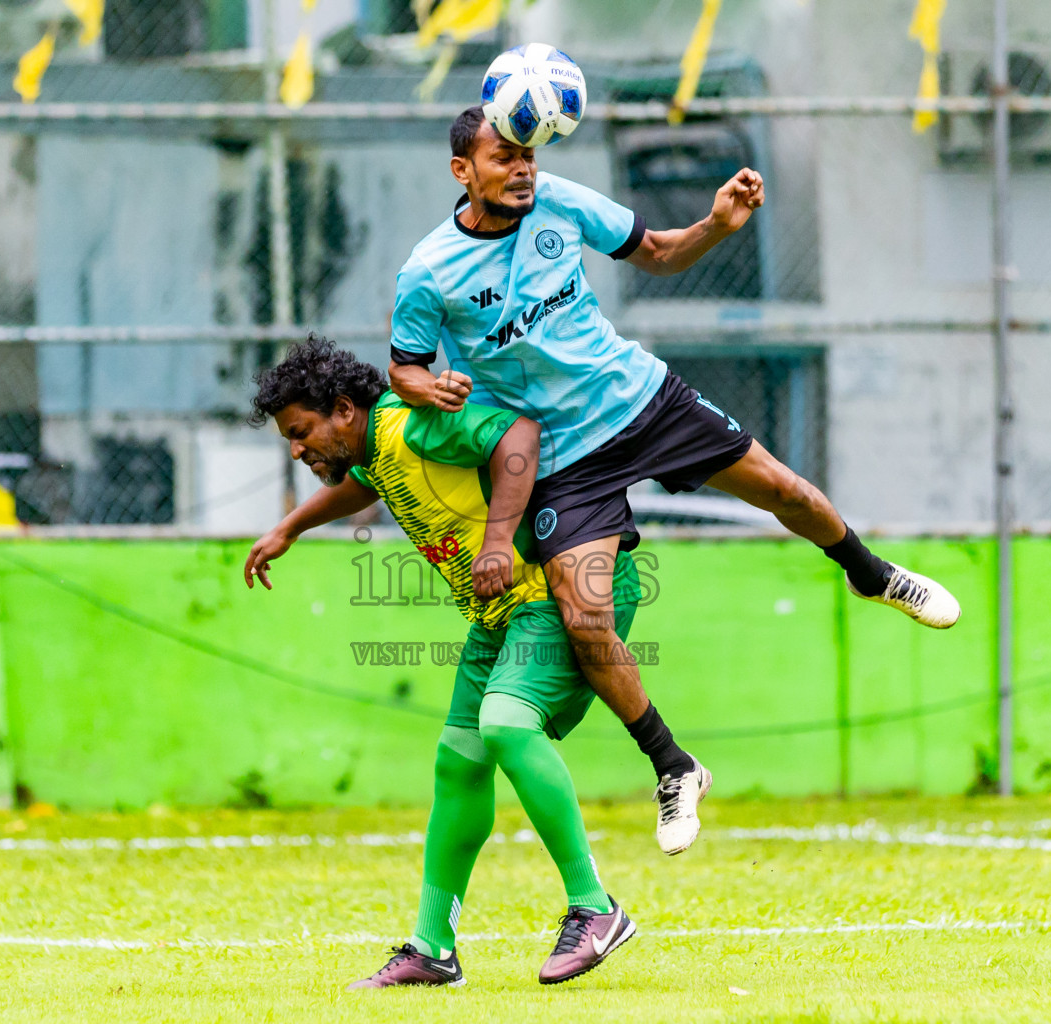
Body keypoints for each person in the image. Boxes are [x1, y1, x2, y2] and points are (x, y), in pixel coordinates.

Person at [386, 105, 962, 842]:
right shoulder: (429, 271)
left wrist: (718, 224)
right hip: (561, 457)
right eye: (504, 158)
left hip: (640, 398)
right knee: (585, 617)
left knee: (785, 490)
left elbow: (656, 251)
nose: (523, 167)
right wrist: (425, 387)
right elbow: (403, 366)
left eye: (527, 154)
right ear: (463, 171)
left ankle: (870, 572)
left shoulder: (560, 201)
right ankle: (672, 764)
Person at [244, 337, 642, 988]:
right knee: (458, 762)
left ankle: (595, 907)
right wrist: (291, 527)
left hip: (560, 590)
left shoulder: (414, 425)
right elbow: (363, 484)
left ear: (344, 410)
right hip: (502, 612)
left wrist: (492, 543)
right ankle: (433, 948)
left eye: (300, 431)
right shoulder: (378, 444)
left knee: (509, 725)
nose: (296, 448)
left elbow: (518, 437)